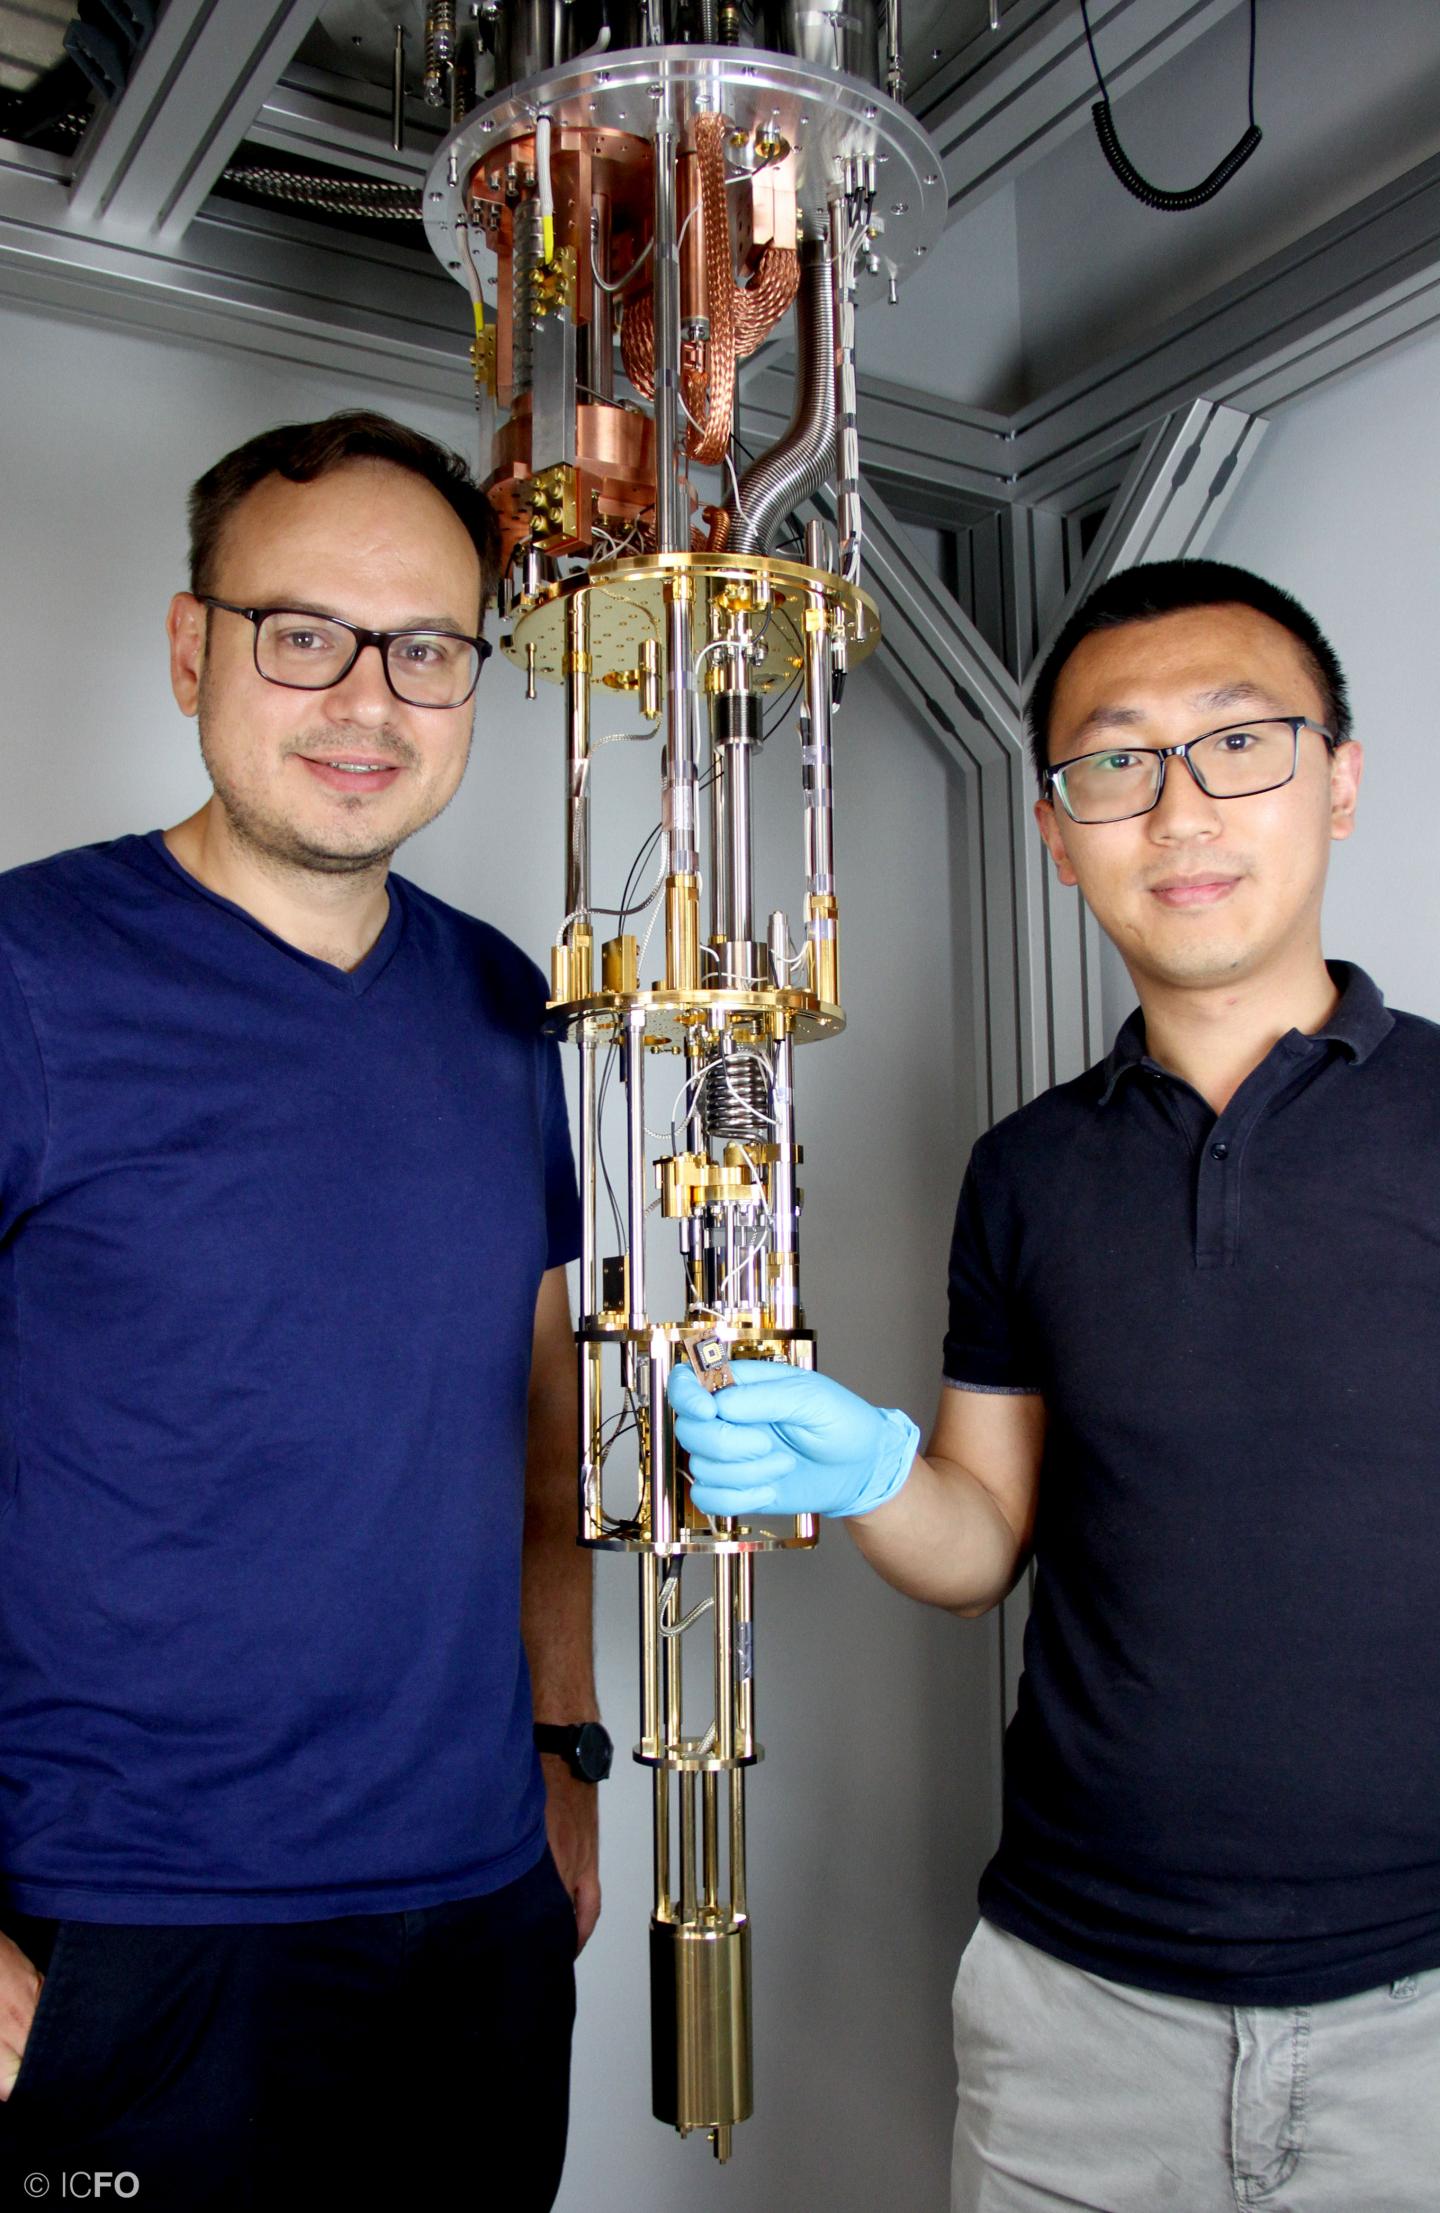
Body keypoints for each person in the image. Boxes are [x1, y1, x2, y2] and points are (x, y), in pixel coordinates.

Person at [672, 559, 1440, 2212]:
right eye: (1117, 763)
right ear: (1054, 826)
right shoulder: (1023, 1175)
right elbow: (978, 1544)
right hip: (1078, 2016)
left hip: (1423, 2019)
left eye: (1242, 743)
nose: (1182, 811)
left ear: (1343, 781)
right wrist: (870, 1467)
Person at [0, 411, 608, 2211]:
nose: (368, 699)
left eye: (426, 648)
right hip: (131, 1934)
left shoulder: (503, 1006)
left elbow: (542, 1412)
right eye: (303, 635)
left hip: (474, 1920)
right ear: (195, 647)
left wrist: (566, 1753)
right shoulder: (29, 973)